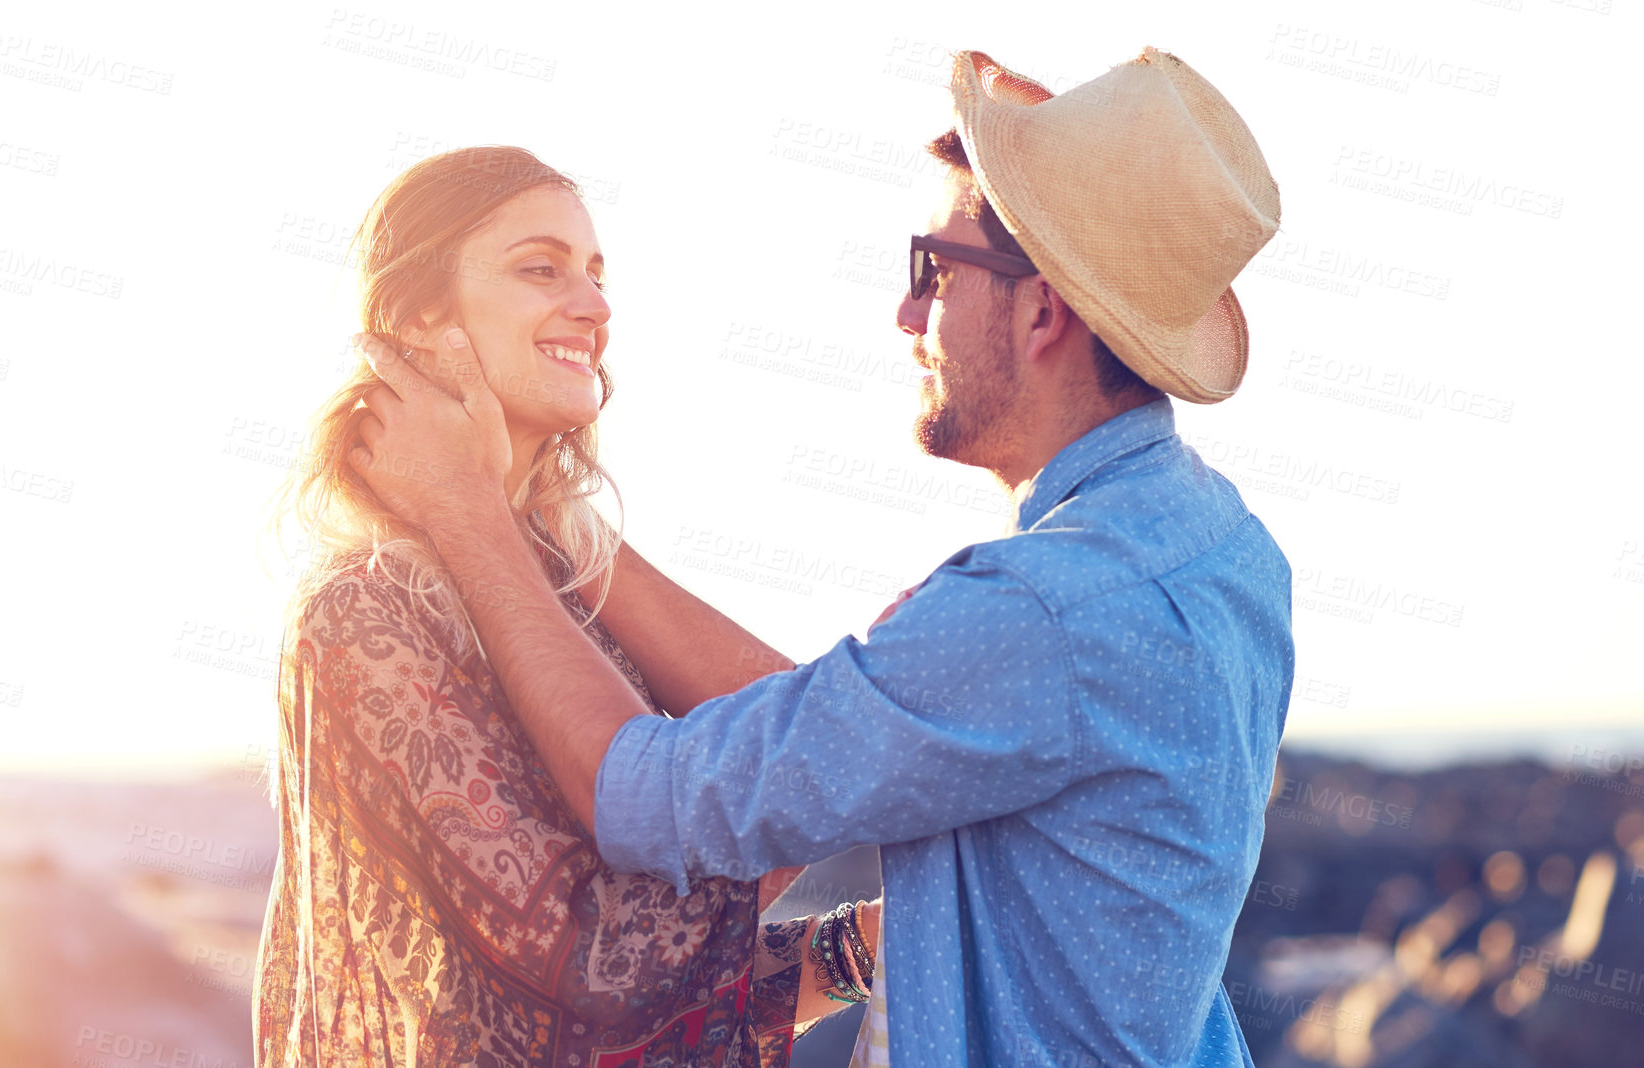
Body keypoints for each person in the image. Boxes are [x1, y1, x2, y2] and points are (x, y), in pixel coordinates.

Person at [349, 49, 1292, 1066]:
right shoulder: (1219, 548)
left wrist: (470, 512)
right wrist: (558, 532)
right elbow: (836, 739)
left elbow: (646, 796)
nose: (904, 314)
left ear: (1039, 311)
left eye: (931, 267)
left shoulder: (1038, 612)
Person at [253, 145, 877, 1067]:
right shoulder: (363, 615)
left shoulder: (564, 584)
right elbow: (593, 969)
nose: (593, 305)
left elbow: (815, 742)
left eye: (595, 274)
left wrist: (527, 510)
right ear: (419, 318)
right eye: (539, 268)